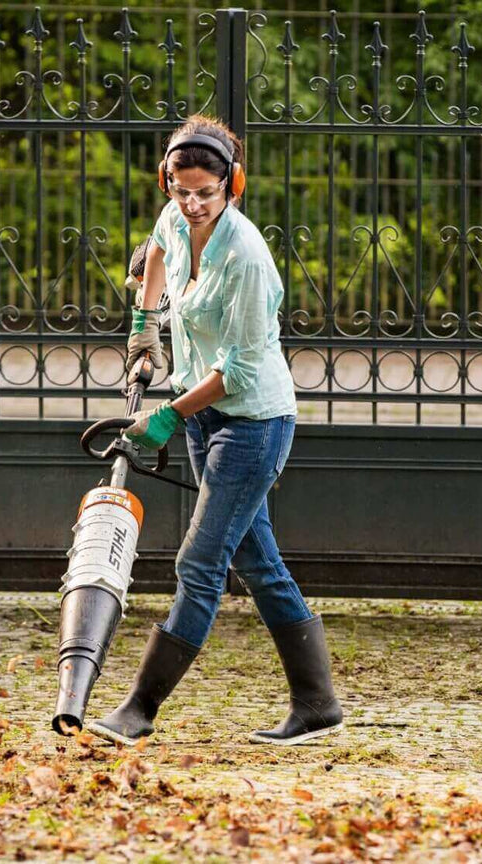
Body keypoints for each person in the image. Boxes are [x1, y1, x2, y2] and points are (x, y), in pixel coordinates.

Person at [87, 115, 343, 747]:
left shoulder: (248, 257)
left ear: (235, 183)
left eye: (207, 191)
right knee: (258, 561)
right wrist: (144, 328)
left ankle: (139, 709)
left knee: (199, 563)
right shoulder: (176, 219)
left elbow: (242, 370)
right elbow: (155, 256)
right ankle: (317, 704)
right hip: (206, 418)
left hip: (253, 423)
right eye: (182, 189)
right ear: (167, 181)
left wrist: (169, 414)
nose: (194, 203)